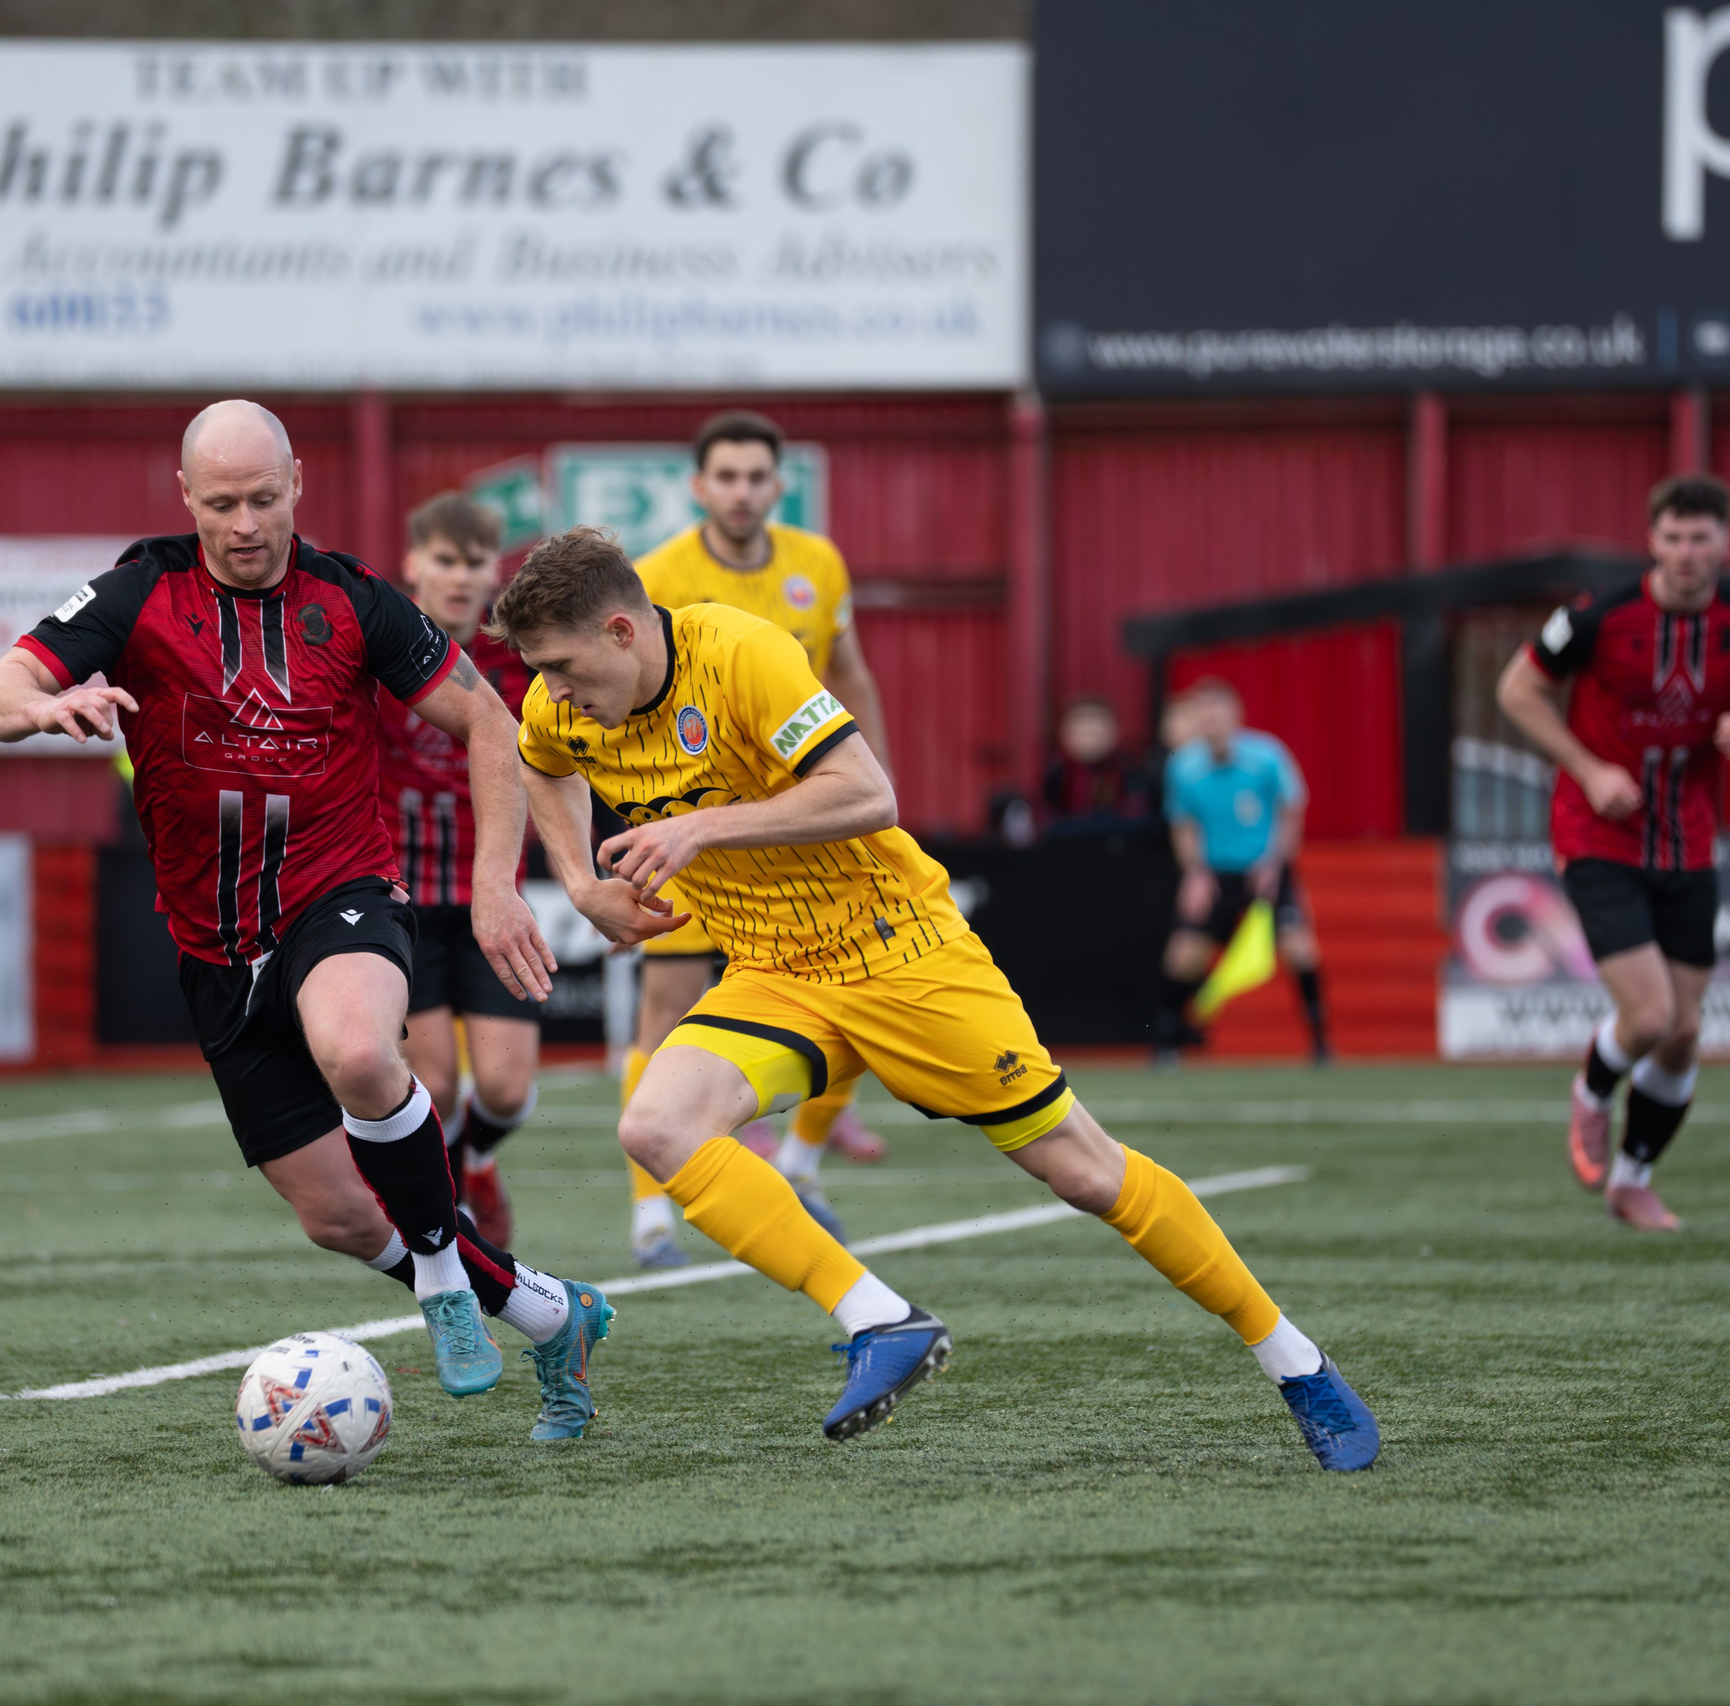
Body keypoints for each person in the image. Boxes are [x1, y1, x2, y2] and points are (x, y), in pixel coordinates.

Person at [496, 528, 1378, 1465]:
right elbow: (539, 763)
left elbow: (868, 793)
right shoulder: (561, 709)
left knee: (1083, 1172)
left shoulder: (743, 653)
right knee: (656, 1126)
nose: (550, 691)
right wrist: (581, 885)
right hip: (774, 968)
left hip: (900, 951)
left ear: (624, 632)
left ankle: (1297, 1364)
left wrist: (703, 829)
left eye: (559, 667)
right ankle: (884, 1321)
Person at [0, 399, 613, 1441]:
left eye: (264, 497)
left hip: (337, 890)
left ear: (297, 483)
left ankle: (444, 1277)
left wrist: (499, 882)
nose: (245, 522)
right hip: (213, 950)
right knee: (341, 1215)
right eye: (221, 502)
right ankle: (549, 1311)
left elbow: (491, 720)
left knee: (360, 1052)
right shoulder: (137, 592)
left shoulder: (354, 600)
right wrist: (39, 708)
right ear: (186, 497)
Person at [622, 409, 890, 1272]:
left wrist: (873, 780)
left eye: (756, 477)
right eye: (725, 477)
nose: (741, 491)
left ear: (779, 487)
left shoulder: (818, 566)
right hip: (692, 835)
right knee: (665, 1012)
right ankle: (651, 1220)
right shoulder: (658, 575)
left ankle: (805, 1169)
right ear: (698, 488)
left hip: (803, 831)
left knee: (860, 991)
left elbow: (848, 672)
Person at [1495, 474, 1730, 1231]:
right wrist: (1588, 769)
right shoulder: (1599, 615)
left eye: (1701, 537)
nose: (1688, 552)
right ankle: (1592, 1093)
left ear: (1725, 542)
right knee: (1649, 1017)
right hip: (1597, 833)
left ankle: (1632, 1181)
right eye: (1674, 537)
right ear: (1653, 541)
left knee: (1686, 1031)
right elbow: (1516, 690)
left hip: (1687, 841)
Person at [379, 491, 538, 1249]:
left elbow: (556, 767)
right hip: (401, 895)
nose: (461, 576)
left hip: (491, 891)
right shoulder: (377, 648)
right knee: (434, 1084)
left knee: (507, 1090)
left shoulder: (516, 660)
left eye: (475, 562)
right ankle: (447, 1235)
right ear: (413, 565)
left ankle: (469, 1166)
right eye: (445, 560)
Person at [1154, 680, 1330, 1066]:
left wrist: (1276, 863)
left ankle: (1320, 1043)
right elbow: (1183, 825)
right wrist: (1196, 873)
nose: (1212, 721)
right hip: (1215, 872)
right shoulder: (1183, 766)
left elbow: (1290, 810)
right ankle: (1167, 1043)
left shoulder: (1266, 756)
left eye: (1219, 712)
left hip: (1263, 868)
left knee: (1299, 948)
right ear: (1196, 721)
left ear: (1236, 716)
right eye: (1204, 714)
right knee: (1184, 955)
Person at [1036, 697, 1157, 837]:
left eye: (1099, 733)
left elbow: (1139, 819)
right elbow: (1046, 825)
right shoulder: (1056, 772)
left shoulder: (1128, 770)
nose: (1093, 741)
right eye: (1086, 733)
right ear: (1066, 735)